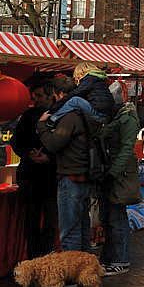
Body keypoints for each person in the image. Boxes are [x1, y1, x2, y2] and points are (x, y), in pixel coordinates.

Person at [37, 77, 95, 252]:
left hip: (71, 176)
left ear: (59, 94)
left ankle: (73, 270)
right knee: (82, 225)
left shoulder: (69, 116)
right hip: (84, 174)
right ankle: (84, 268)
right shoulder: (84, 112)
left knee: (70, 229)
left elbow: (55, 143)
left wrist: (41, 126)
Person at [11, 77, 58, 258]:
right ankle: (33, 255)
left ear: (50, 96)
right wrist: (28, 153)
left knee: (49, 219)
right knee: (31, 218)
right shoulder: (28, 116)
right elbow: (16, 141)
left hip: (49, 176)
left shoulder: (59, 114)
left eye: (39, 96)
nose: (35, 99)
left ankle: (46, 254)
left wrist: (49, 158)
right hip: (30, 175)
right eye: (34, 96)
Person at [99, 82, 140, 275]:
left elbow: (126, 149)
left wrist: (113, 172)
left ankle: (120, 259)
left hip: (119, 173)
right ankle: (111, 257)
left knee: (117, 217)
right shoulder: (120, 117)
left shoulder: (127, 119)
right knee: (110, 217)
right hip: (114, 170)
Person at [46, 62, 115, 126]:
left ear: (80, 72)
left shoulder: (89, 79)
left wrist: (53, 109)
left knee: (75, 100)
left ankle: (52, 120)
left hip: (99, 114)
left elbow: (75, 93)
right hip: (106, 115)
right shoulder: (98, 79)